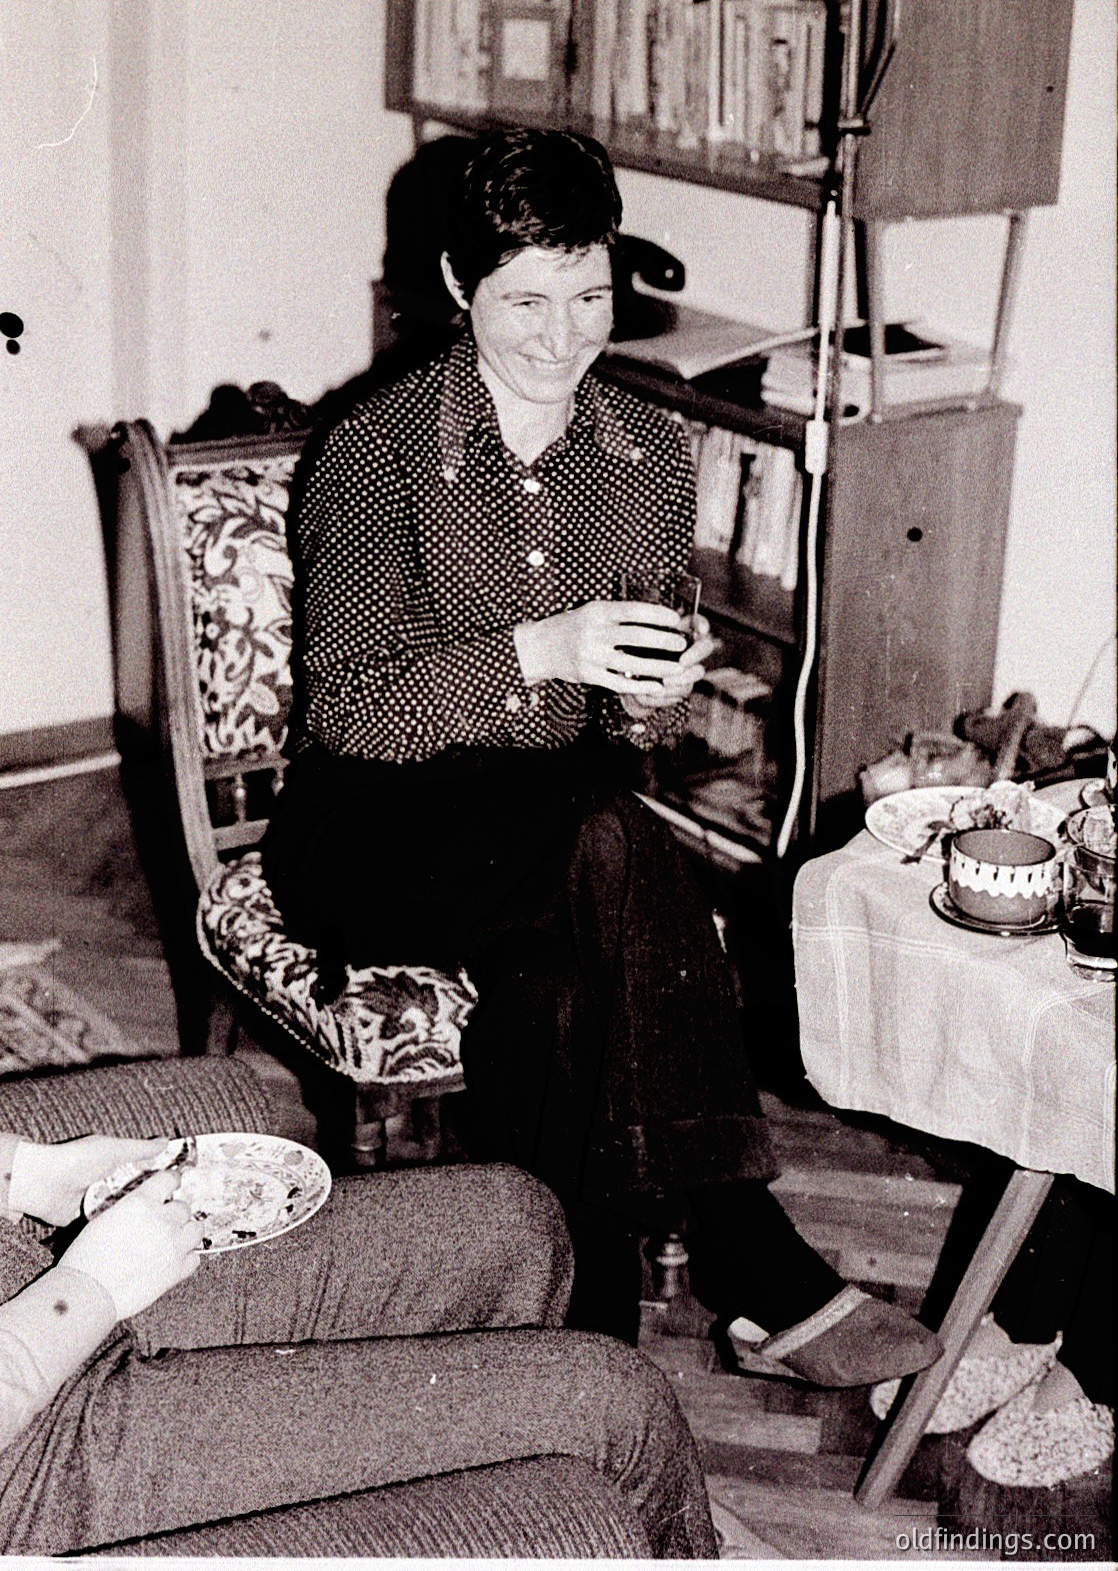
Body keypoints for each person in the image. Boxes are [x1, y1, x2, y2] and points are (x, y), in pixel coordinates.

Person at [263, 125, 941, 1382]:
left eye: (590, 296)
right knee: (610, 839)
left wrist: (652, 692)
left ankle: (578, 1344)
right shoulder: (370, 449)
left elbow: (638, 727)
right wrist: (543, 646)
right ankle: (750, 1255)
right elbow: (349, 710)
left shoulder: (642, 452)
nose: (562, 335)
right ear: (460, 288)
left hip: (558, 830)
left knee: (557, 991)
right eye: (525, 299)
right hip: (372, 823)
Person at [0, 1058, 715, 1557]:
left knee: (511, 1223)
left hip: (26, 1284)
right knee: (615, 1405)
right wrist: (90, 1289)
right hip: (30, 1443)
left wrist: (26, 1175)